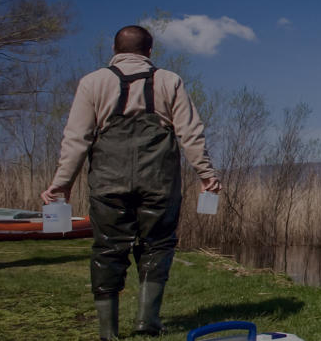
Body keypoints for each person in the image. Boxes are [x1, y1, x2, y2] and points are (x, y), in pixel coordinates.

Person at [41, 25, 222, 340]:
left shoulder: (92, 82)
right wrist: (206, 174)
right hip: (160, 182)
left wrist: (61, 184)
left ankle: (108, 332)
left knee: (108, 249)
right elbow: (191, 133)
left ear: (114, 50)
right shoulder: (170, 81)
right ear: (150, 52)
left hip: (108, 182)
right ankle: (147, 322)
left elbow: (76, 139)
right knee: (158, 245)